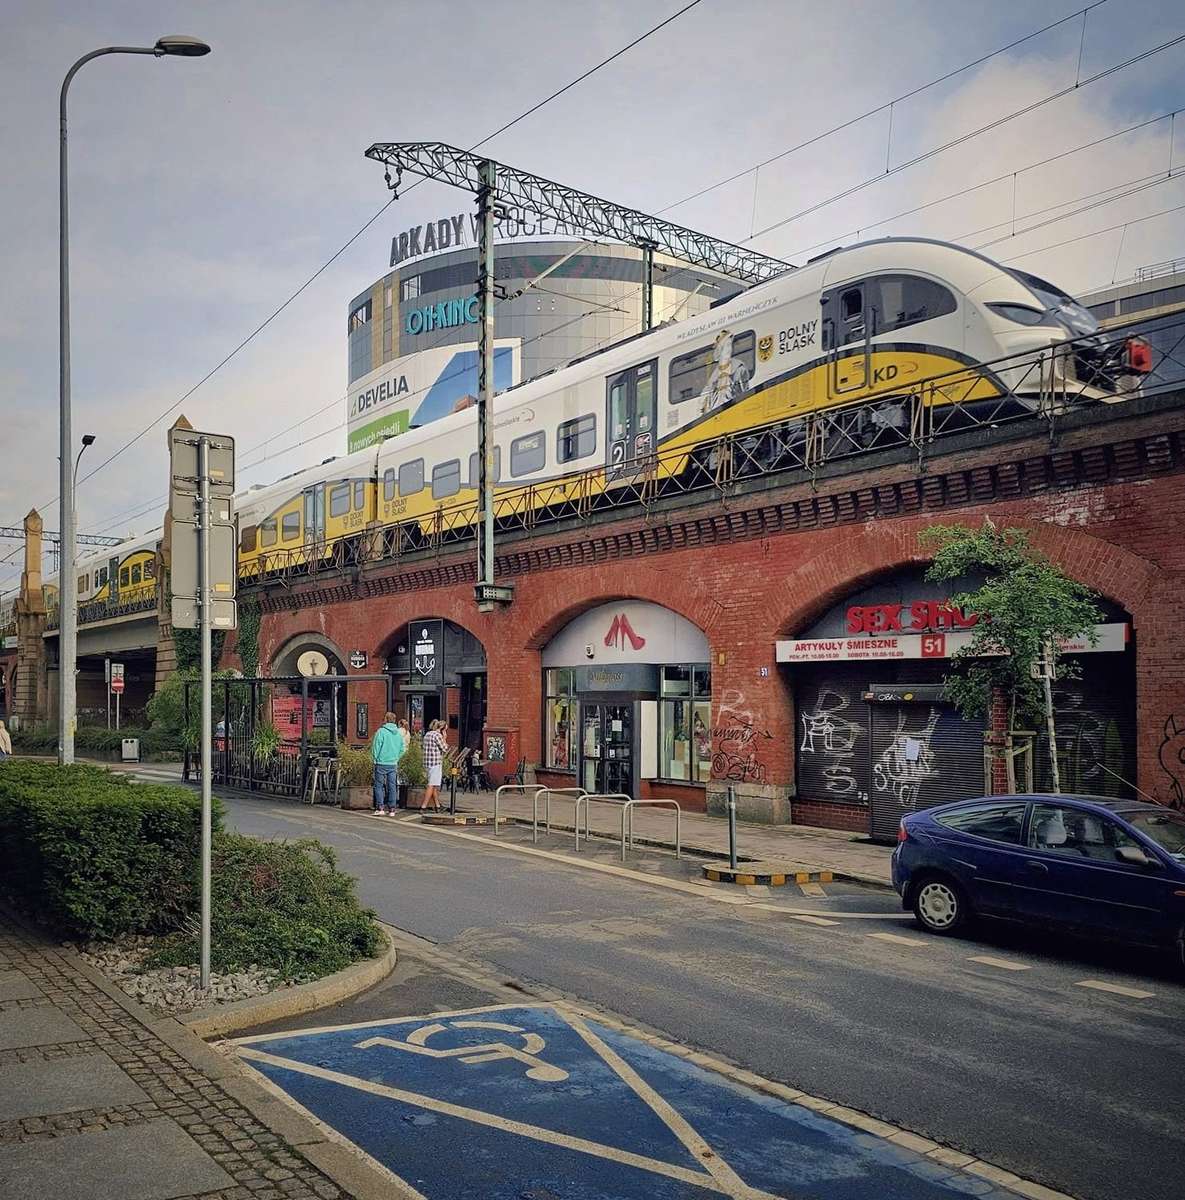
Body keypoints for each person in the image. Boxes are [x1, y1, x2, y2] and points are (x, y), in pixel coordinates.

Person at [370, 711, 405, 816]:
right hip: (393, 763)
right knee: (392, 786)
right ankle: (392, 809)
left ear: (385, 719)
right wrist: (396, 758)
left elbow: (376, 747)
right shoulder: (398, 733)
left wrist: (374, 759)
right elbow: (402, 749)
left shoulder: (381, 731)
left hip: (381, 762)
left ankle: (380, 807)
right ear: (394, 720)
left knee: (379, 786)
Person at [422, 719, 448, 811]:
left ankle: (437, 806)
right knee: (431, 785)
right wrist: (444, 737)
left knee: (434, 785)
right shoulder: (437, 736)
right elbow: (444, 748)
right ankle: (423, 806)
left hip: (427, 762)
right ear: (442, 729)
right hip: (435, 763)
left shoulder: (427, 735)